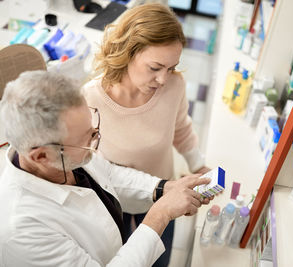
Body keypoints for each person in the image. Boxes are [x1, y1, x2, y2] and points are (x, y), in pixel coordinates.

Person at [0, 71, 213, 267]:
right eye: (87, 139)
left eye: (93, 129)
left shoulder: (62, 155)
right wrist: (160, 214)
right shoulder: (19, 231)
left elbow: (109, 174)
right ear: (41, 155)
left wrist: (164, 187)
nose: (95, 144)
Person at [84, 4, 210, 266]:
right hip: (112, 202)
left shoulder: (174, 85)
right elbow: (86, 162)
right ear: (128, 52)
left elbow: (181, 129)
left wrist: (199, 165)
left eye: (171, 67)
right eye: (155, 67)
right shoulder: (90, 99)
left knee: (158, 261)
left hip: (165, 194)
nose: (163, 79)